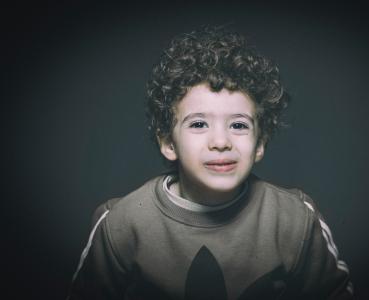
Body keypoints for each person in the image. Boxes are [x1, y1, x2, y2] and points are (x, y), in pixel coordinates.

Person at [67, 25, 353, 300]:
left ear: (260, 144)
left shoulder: (295, 218)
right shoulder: (121, 223)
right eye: (199, 124)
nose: (220, 141)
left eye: (239, 126)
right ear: (168, 143)